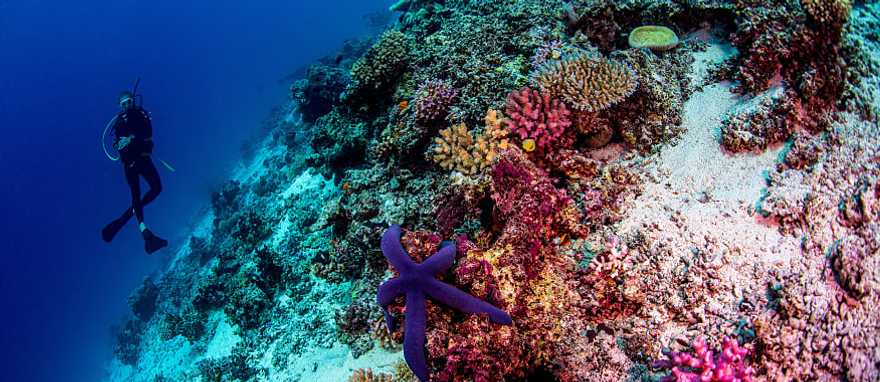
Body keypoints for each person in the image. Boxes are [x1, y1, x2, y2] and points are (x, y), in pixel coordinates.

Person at [101, 90, 168, 254]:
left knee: (152, 190)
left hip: (140, 160)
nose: (126, 106)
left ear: (133, 101)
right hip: (134, 162)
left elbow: (147, 132)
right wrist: (119, 143)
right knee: (146, 192)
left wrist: (130, 138)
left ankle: (133, 215)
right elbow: (118, 141)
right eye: (123, 104)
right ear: (120, 106)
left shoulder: (140, 114)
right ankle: (145, 232)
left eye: (128, 102)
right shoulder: (120, 122)